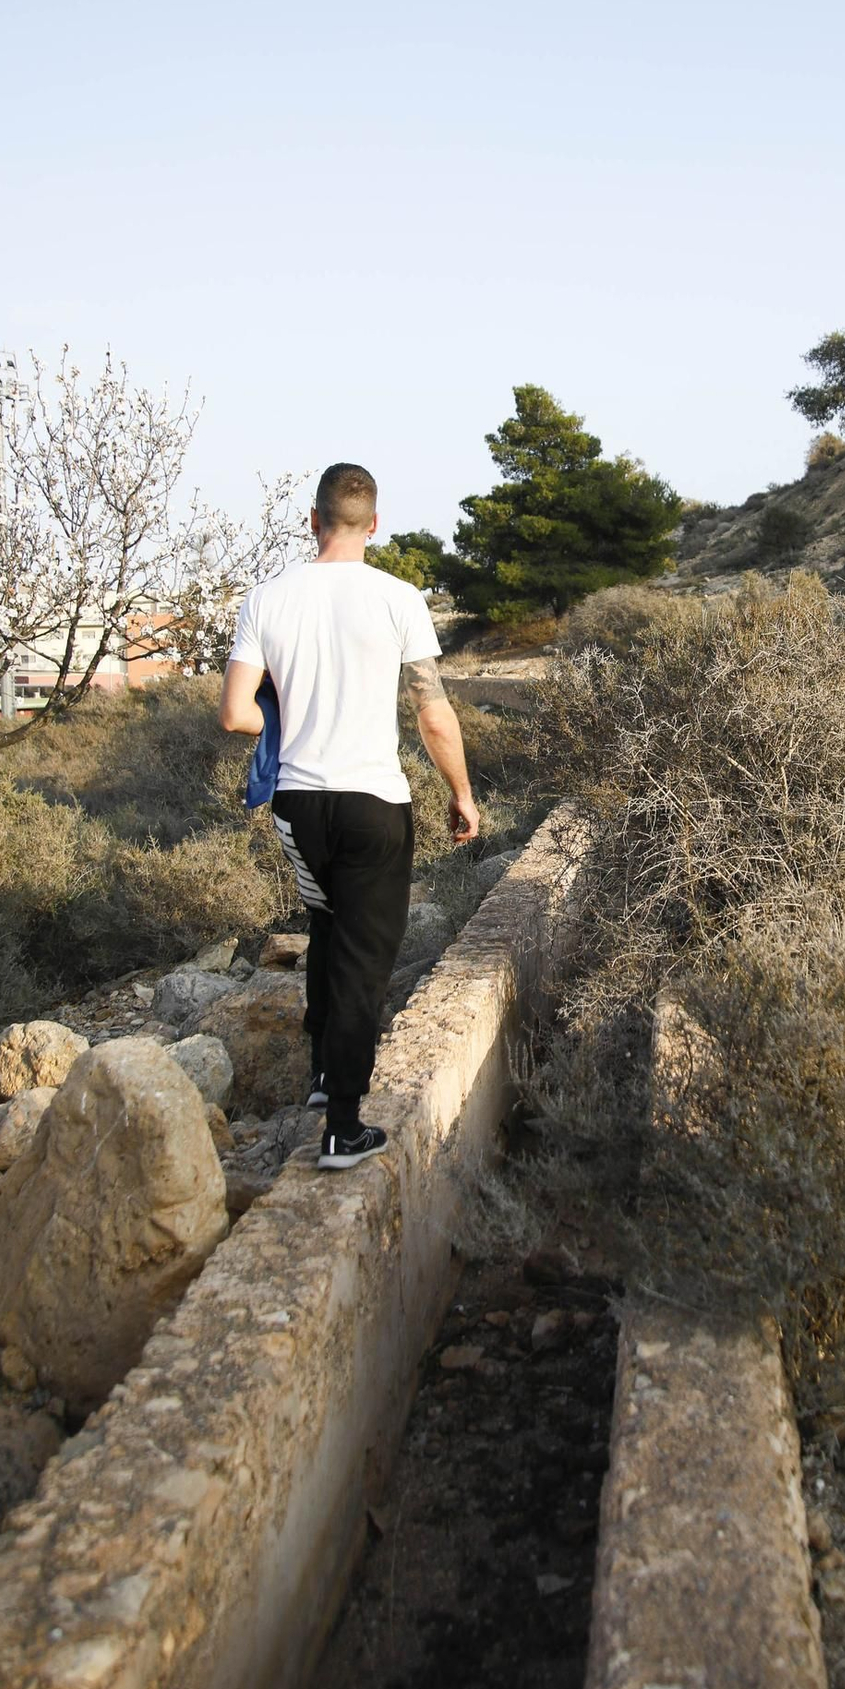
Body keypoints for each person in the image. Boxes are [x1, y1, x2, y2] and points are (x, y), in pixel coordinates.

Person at [219, 463, 478, 1168]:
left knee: (327, 928)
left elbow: (237, 714)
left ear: (313, 520)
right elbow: (433, 713)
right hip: (373, 804)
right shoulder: (400, 598)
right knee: (365, 959)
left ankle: (322, 1076)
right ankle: (342, 1127)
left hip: (298, 806)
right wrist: (461, 792)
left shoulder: (266, 599)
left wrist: (286, 717)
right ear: (375, 524)